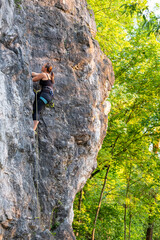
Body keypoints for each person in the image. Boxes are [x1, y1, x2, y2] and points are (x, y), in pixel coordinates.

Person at [32, 63, 54, 131]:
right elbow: (35, 74)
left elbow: (34, 79)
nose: (42, 66)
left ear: (45, 68)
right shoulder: (49, 75)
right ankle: (34, 127)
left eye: (43, 66)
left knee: (36, 110)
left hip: (44, 95)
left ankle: (33, 129)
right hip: (48, 96)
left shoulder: (43, 74)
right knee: (36, 107)